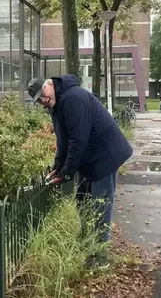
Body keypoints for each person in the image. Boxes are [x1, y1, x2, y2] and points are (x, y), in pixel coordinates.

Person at [27, 74, 133, 267]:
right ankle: (88, 245)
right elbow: (63, 139)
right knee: (82, 201)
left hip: (105, 156)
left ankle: (99, 258)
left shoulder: (73, 98)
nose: (44, 100)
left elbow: (78, 139)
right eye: (39, 100)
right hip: (89, 160)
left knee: (100, 207)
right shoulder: (55, 106)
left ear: (49, 84)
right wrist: (58, 165)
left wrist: (68, 171)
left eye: (43, 94)